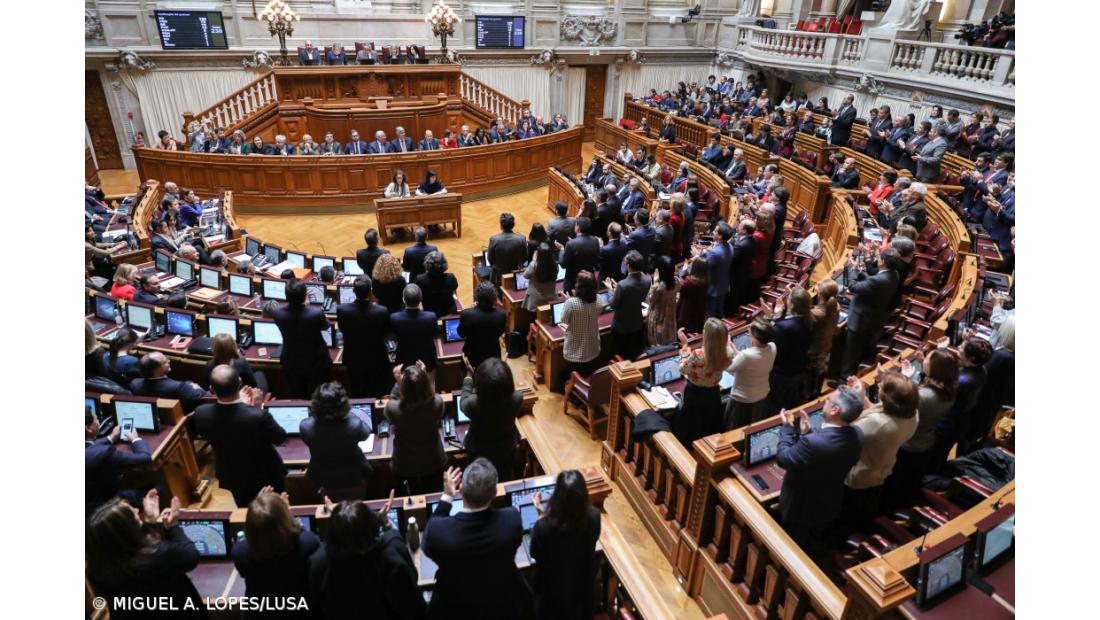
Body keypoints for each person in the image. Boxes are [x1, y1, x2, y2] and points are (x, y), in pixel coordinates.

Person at [422, 461, 533, 620]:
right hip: (503, 603)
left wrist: (447, 497)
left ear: (461, 489)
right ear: (494, 492)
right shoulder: (511, 519)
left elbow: (426, 545)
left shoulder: (439, 531)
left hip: (454, 607)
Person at [774, 387, 865, 557]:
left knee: (791, 548)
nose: (825, 401)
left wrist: (787, 429)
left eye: (828, 400)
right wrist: (807, 434)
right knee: (812, 542)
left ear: (834, 410)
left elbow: (783, 459)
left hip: (799, 508)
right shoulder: (858, 434)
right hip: (828, 503)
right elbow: (826, 453)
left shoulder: (813, 443)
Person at [86, 494, 206, 619]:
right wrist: (173, 527)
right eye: (132, 514)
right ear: (126, 530)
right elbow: (191, 555)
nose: (137, 509)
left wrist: (150, 522)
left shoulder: (99, 569)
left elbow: (135, 544)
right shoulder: (157, 557)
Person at [309, 499, 426, 619]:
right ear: (373, 528)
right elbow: (414, 604)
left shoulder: (319, 563)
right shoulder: (391, 552)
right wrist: (386, 525)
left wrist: (342, 521)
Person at [189, 365, 286, 506]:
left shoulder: (201, 413)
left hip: (231, 474)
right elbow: (280, 438)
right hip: (266, 475)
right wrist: (256, 409)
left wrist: (244, 407)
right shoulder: (258, 416)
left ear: (211, 389)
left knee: (244, 508)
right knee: (273, 509)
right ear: (240, 382)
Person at [842, 372, 919, 530]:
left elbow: (844, 434)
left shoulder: (879, 423)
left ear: (889, 398)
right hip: (882, 470)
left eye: (882, 386)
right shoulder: (912, 413)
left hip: (859, 477)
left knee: (848, 518)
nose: (878, 385)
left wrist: (853, 399)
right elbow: (879, 413)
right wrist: (862, 397)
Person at [884, 350, 959, 508]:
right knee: (909, 482)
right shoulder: (950, 389)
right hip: (926, 442)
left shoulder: (924, 396)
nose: (924, 360)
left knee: (895, 485)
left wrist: (905, 380)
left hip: (908, 445)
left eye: (928, 359)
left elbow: (900, 408)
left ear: (936, 368)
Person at [528, 469, 602, 620]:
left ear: (557, 497)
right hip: (581, 593)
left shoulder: (542, 528)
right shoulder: (594, 517)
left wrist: (541, 517)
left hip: (550, 595)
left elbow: (535, 553)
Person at [232, 491, 321, 614]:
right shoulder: (309, 544)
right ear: (285, 521)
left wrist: (259, 510)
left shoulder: (240, 553)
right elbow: (301, 532)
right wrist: (285, 512)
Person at [300, 382, 372, 501]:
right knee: (354, 508)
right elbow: (366, 433)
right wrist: (348, 414)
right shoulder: (354, 425)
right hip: (353, 477)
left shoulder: (305, 426)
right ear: (343, 404)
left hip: (324, 479)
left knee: (333, 511)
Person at [385, 362, 447, 493]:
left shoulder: (393, 409)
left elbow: (392, 400)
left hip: (404, 465)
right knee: (434, 499)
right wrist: (424, 378)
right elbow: (433, 396)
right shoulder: (437, 404)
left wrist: (398, 383)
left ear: (404, 389)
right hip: (433, 462)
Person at [461, 358, 523, 479]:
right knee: (505, 479)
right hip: (507, 450)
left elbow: (463, 401)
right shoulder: (517, 399)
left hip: (479, 454)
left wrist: (469, 377)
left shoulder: (473, 404)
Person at [674, 319, 734, 444]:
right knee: (708, 424)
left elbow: (682, 369)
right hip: (713, 394)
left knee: (691, 426)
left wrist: (685, 347)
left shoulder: (697, 354)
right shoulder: (728, 352)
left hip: (694, 394)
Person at [273, 279, 332, 398]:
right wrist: (307, 306)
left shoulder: (277, 313)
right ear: (305, 295)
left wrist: (303, 306)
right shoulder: (315, 314)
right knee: (318, 396)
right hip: (316, 362)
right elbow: (326, 326)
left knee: (297, 396)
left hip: (291, 361)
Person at [336, 275, 393, 397]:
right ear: (371, 290)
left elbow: (342, 329)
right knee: (378, 392)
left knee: (358, 392)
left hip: (353, 358)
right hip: (377, 358)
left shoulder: (342, 310)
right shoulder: (381, 311)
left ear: (353, 290)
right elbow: (387, 332)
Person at [85, 407, 151, 511]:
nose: (99, 422)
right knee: (158, 489)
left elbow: (89, 448)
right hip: (104, 507)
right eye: (97, 419)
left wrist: (111, 437)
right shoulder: (105, 453)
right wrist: (135, 440)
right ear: (88, 428)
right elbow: (145, 458)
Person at [724, 319, 778, 429]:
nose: (748, 334)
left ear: (756, 337)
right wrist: (735, 350)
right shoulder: (773, 346)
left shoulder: (746, 356)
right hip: (762, 396)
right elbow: (752, 359)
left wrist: (727, 349)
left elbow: (729, 368)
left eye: (750, 332)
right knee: (753, 425)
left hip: (743, 400)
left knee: (736, 429)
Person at [769, 287, 814, 410]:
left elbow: (771, 347)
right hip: (798, 371)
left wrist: (776, 316)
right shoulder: (809, 320)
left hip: (782, 375)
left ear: (792, 305)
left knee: (777, 408)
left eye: (788, 298)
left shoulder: (784, 327)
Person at [604, 250, 651, 360]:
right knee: (633, 355)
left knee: (619, 357)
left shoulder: (623, 285)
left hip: (622, 327)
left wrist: (610, 289)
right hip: (637, 324)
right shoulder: (647, 280)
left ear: (628, 266)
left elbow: (613, 304)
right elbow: (641, 296)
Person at [131, 352, 208, 413]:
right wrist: (197, 388)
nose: (169, 361)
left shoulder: (135, 384)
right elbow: (203, 398)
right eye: (165, 362)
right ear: (157, 369)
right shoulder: (180, 387)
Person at [561, 271, 602, 380]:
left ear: (578, 286)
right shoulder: (599, 300)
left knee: (574, 379)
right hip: (592, 347)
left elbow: (563, 320)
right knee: (588, 374)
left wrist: (568, 300)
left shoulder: (571, 303)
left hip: (575, 351)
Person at [390, 284, 439, 373]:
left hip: (404, 361)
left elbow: (393, 337)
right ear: (420, 299)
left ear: (403, 300)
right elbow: (435, 335)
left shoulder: (394, 317)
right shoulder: (431, 316)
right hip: (427, 361)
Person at [458, 282, 507, 370]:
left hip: (472, 356)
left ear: (476, 297)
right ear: (494, 298)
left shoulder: (467, 314)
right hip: (493, 356)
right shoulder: (501, 314)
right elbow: (500, 332)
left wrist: (472, 309)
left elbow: (461, 333)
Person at [201, 333, 269, 394]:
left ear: (214, 348)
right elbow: (252, 385)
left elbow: (207, 387)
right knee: (259, 374)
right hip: (241, 396)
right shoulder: (241, 363)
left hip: (219, 397)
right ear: (233, 347)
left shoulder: (208, 365)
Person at [807, 279, 840, 396]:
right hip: (826, 348)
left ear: (820, 294)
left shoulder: (815, 314)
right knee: (819, 376)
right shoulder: (836, 306)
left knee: (809, 381)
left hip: (813, 351)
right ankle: (815, 396)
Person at [561, 217, 600, 293]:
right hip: (589, 278)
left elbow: (563, 264)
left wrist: (562, 250)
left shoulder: (571, 244)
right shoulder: (595, 240)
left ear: (578, 227)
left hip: (573, 281)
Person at [703, 222, 734, 317]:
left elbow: (704, 267)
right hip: (723, 285)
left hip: (713, 288)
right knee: (720, 312)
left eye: (715, 231)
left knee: (710, 315)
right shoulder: (730, 246)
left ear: (720, 236)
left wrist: (699, 254)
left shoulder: (715, 253)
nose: (712, 232)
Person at [646, 256, 679, 347]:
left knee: (657, 345)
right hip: (670, 317)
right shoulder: (677, 282)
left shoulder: (658, 288)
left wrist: (654, 282)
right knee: (669, 341)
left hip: (658, 319)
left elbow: (650, 299)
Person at [726, 218, 757, 315]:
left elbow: (731, 259)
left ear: (744, 230)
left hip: (735, 274)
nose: (738, 226)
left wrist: (729, 242)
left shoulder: (741, 245)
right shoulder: (753, 240)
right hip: (744, 271)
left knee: (733, 294)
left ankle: (730, 313)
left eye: (740, 225)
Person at [487, 212, 528, 285]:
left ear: (501, 226)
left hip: (498, 276)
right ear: (513, 225)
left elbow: (490, 260)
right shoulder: (521, 238)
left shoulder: (494, 239)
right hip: (515, 274)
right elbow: (525, 257)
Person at [416, 251, 459, 317]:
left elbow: (418, 297)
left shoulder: (420, 279)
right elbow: (454, 292)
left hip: (430, 314)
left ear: (427, 264)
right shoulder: (451, 277)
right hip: (449, 312)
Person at [677, 256, 708, 333]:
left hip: (687, 316)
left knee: (685, 335)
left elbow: (681, 289)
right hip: (699, 313)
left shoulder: (690, 283)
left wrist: (678, 273)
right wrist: (686, 271)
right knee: (694, 334)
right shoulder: (706, 280)